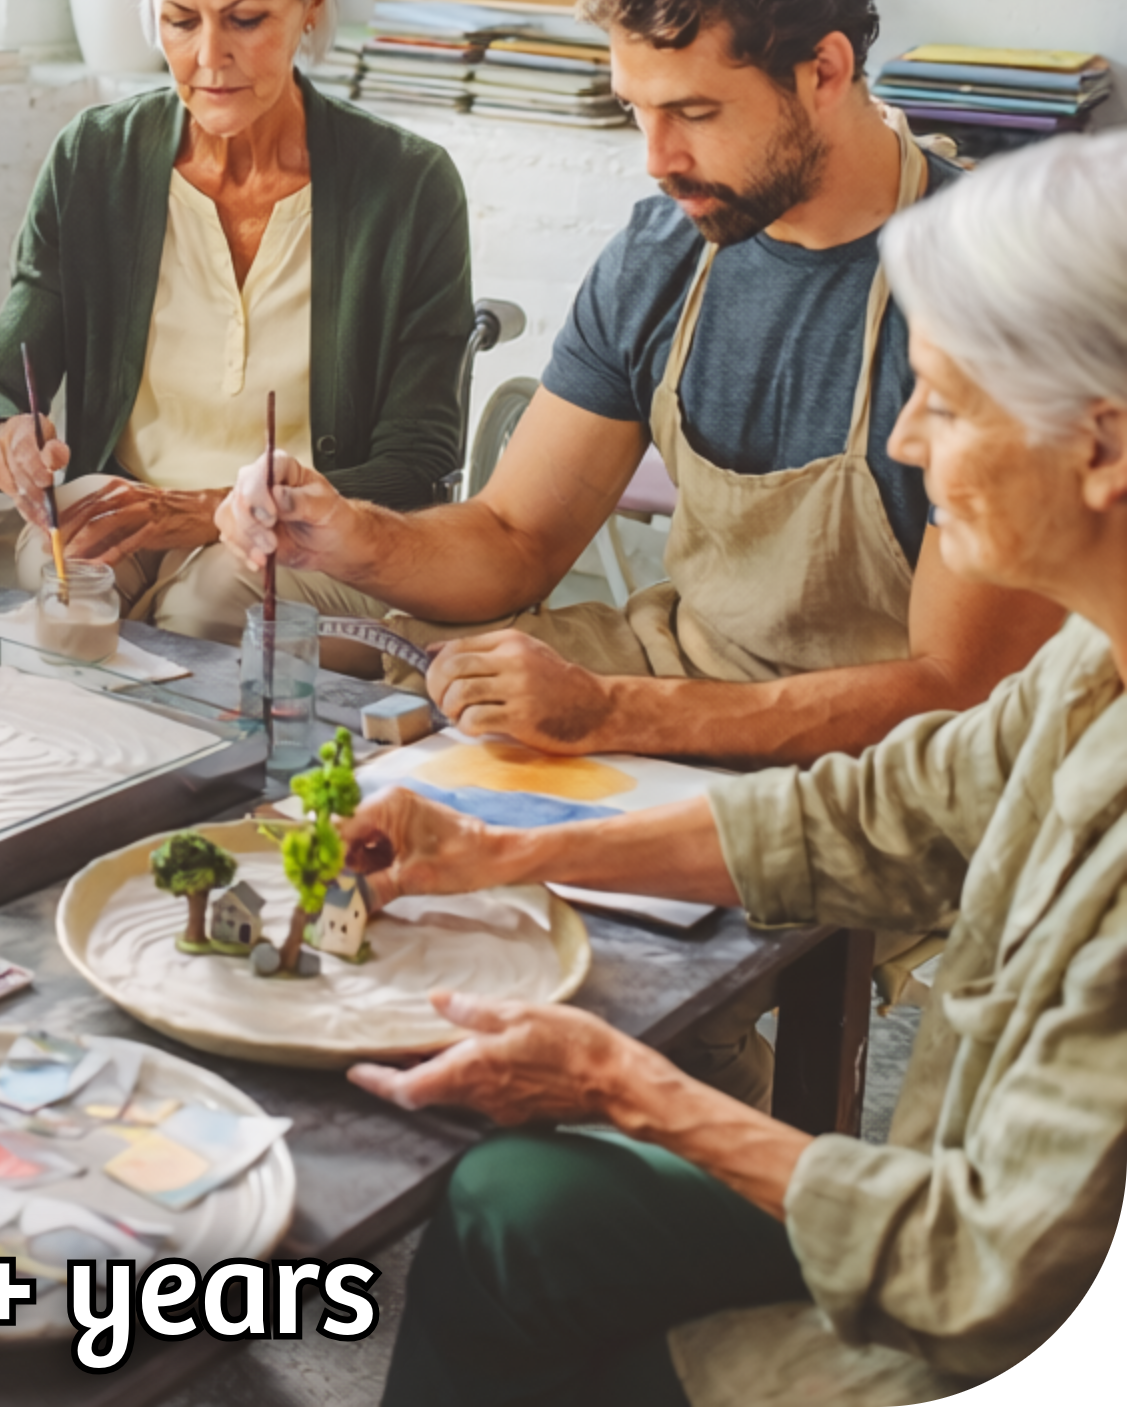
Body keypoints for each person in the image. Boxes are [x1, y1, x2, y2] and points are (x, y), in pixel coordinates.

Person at [340, 130, 1127, 1407]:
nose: (910, 440)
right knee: (508, 1198)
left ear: (1100, 445)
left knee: (555, 1234)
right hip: (939, 1210)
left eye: (947, 397)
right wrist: (508, 851)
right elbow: (873, 809)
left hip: (984, 1329)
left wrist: (619, 1079)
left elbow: (983, 1268)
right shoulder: (1087, 665)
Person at [0, 0, 473, 644]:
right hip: (133, 508)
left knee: (209, 604)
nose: (209, 59)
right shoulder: (94, 158)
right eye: (179, 20)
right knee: (66, 559)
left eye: (246, 19)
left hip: (302, 532)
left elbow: (417, 461)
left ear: (311, 1)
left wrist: (204, 514)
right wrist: (3, 436)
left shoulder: (408, 186)